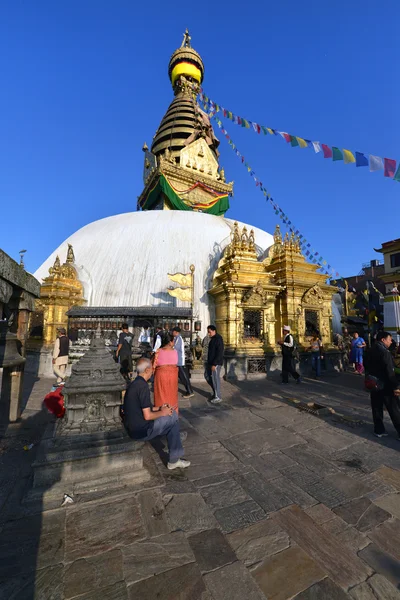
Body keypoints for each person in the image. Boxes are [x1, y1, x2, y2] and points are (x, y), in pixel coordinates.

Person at [123, 358, 190, 469]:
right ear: (147, 370)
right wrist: (163, 412)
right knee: (172, 417)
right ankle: (174, 460)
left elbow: (145, 408)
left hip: (134, 427)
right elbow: (148, 415)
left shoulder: (135, 384)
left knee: (171, 415)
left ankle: (175, 439)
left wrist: (159, 408)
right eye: (152, 369)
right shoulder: (143, 386)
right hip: (141, 431)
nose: (153, 372)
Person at [364, 331, 400, 439]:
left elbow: (365, 365)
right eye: (389, 339)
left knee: (376, 408)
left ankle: (379, 430)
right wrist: (396, 386)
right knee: (394, 409)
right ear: (383, 340)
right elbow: (390, 371)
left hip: (373, 383)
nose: (391, 342)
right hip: (385, 385)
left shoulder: (369, 350)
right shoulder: (385, 352)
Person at [152, 331, 179, 412]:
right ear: (170, 342)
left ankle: (160, 412)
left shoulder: (158, 352)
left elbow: (153, 366)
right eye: (173, 340)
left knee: (161, 395)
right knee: (172, 395)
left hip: (161, 375)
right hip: (173, 376)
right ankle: (173, 412)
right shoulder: (175, 352)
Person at [172, 327, 194, 399]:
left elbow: (175, 348)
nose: (172, 333)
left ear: (176, 332)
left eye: (173, 331)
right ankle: (188, 391)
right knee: (182, 377)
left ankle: (190, 391)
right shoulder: (176, 338)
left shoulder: (179, 338)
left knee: (184, 377)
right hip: (177, 360)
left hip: (180, 361)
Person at [205, 325, 224, 404]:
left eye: (209, 332)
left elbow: (219, 353)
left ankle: (218, 396)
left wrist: (214, 364)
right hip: (211, 362)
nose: (209, 334)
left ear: (214, 331)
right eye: (208, 332)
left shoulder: (218, 339)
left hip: (215, 363)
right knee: (207, 376)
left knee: (215, 379)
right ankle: (215, 392)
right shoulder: (213, 339)